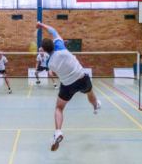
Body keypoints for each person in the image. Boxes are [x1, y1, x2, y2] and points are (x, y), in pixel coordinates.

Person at [36, 22, 101, 151]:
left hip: (67, 85)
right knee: (90, 93)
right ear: (54, 44)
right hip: (81, 78)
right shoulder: (60, 45)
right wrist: (41, 25)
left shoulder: (49, 62)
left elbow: (52, 72)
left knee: (59, 108)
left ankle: (58, 131)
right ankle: (95, 106)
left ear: (44, 50)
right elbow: (53, 30)